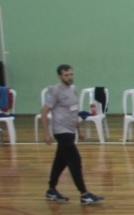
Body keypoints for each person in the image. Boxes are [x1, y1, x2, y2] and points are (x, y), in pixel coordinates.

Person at [41, 64, 105, 204]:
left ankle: (51, 190)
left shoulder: (72, 89)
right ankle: (84, 194)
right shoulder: (55, 91)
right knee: (75, 161)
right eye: (66, 75)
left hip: (70, 131)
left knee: (60, 161)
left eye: (71, 74)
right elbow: (44, 111)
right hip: (61, 131)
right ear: (60, 76)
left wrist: (79, 130)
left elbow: (73, 112)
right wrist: (46, 133)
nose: (70, 77)